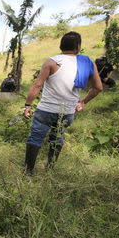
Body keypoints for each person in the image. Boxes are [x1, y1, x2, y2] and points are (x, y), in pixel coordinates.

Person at [23, 31, 103, 175]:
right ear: (78, 47)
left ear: (61, 45)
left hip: (45, 110)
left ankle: (28, 171)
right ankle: (50, 170)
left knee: (35, 138)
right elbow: (98, 88)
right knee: (57, 138)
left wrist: (28, 105)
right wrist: (83, 102)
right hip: (67, 112)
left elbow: (37, 85)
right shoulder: (87, 63)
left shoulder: (52, 62)